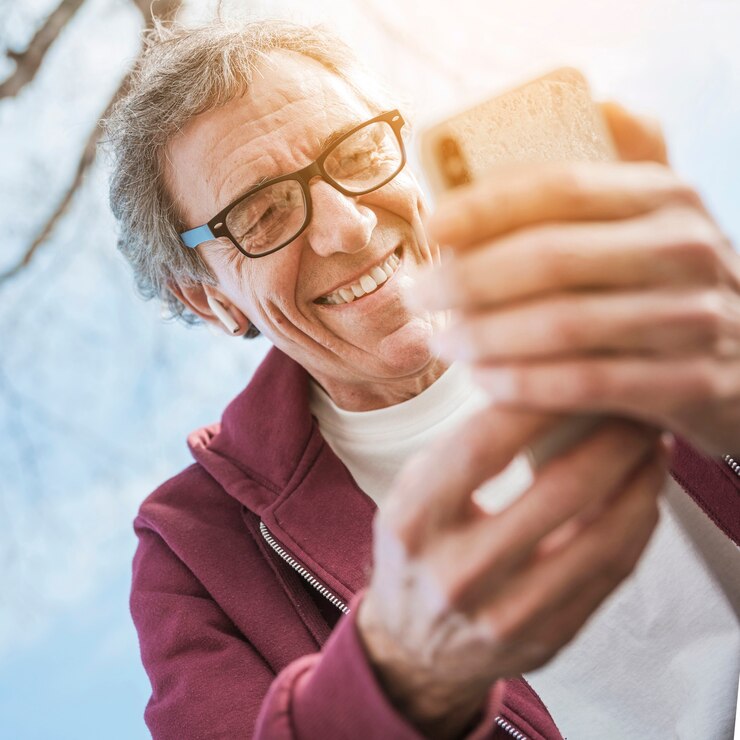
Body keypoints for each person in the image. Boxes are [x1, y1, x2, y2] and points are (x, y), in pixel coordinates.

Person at [104, 18, 740, 740]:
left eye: (356, 151)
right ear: (208, 297)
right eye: (263, 211)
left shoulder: (624, 294)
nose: (345, 227)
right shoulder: (193, 549)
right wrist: (395, 681)